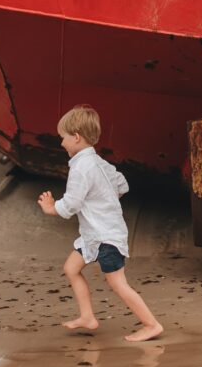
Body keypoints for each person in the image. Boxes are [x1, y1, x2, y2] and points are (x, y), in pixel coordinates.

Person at [37, 105, 163, 342]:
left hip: (106, 236)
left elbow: (72, 203)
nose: (61, 143)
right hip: (95, 235)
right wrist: (107, 199)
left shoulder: (81, 168)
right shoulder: (98, 162)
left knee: (118, 284)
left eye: (63, 137)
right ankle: (87, 317)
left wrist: (51, 208)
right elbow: (122, 184)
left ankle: (151, 324)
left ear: (76, 137)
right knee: (71, 268)